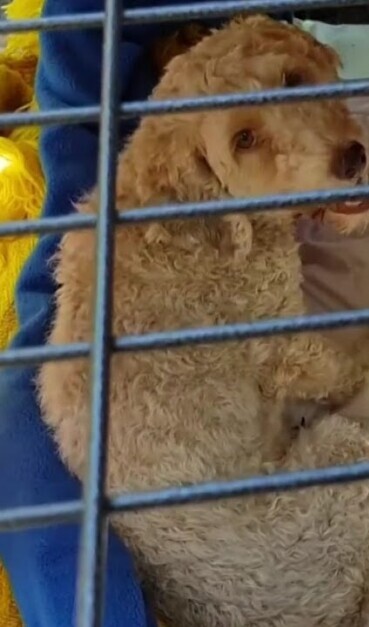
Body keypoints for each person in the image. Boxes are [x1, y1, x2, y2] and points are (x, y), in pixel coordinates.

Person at [0, 0, 238, 624]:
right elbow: (75, 164)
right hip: (98, 239)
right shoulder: (83, 30)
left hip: (227, 255)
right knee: (26, 410)